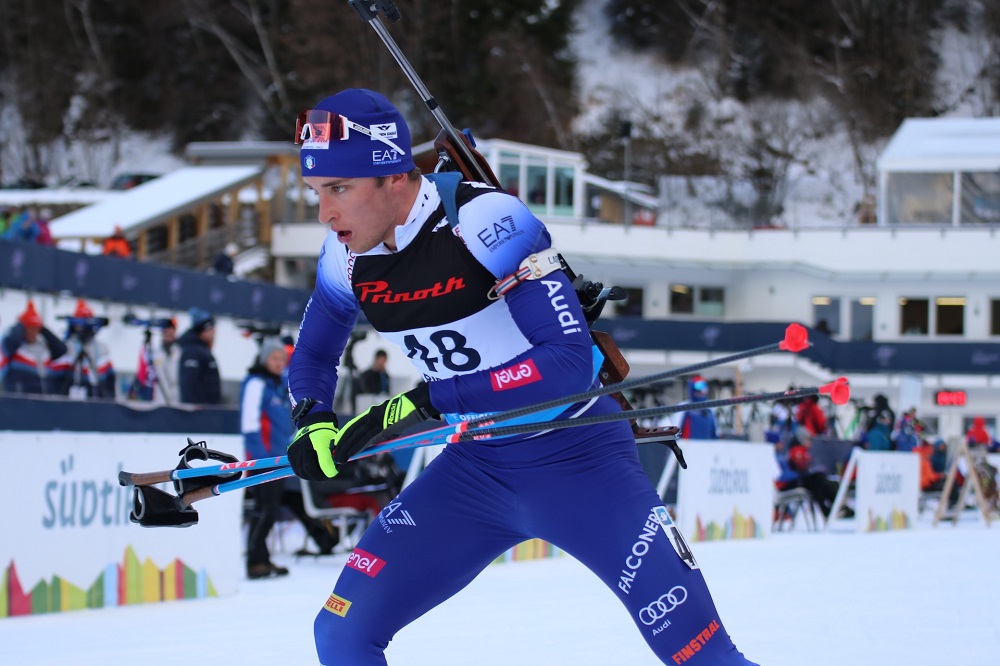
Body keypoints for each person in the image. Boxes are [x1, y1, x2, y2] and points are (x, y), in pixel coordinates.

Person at [284, 89, 757, 665]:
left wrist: (426, 400)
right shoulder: (345, 257)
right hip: (474, 471)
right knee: (340, 634)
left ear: (393, 177)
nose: (324, 214)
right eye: (315, 193)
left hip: (580, 461)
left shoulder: (483, 220)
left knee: (706, 657)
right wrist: (312, 420)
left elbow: (565, 363)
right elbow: (313, 354)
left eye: (339, 189)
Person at [241, 338, 338, 579]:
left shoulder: (277, 386)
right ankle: (256, 561)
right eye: (274, 358)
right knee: (265, 511)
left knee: (275, 508)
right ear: (264, 359)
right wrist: (258, 459)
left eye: (281, 359)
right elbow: (249, 423)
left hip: (278, 460)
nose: (278, 363)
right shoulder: (256, 383)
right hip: (262, 460)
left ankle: (263, 558)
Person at [47, 299, 116, 398]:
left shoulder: (101, 348)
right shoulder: (67, 347)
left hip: (97, 399)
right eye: (79, 325)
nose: (83, 329)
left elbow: (110, 378)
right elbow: (56, 378)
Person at [1, 301, 68, 394]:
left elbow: (62, 349)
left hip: (44, 401)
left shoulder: (44, 349)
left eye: (36, 329)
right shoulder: (13, 348)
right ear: (23, 329)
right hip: (20, 402)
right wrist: (21, 323)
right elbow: (10, 342)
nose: (33, 332)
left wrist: (43, 329)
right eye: (30, 328)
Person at [177, 308, 221, 405]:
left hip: (208, 412)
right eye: (211, 329)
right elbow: (189, 386)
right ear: (203, 330)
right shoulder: (192, 351)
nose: (214, 333)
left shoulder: (202, 350)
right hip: (199, 415)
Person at [677, 375, 719, 440]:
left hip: (706, 447)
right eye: (699, 388)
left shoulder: (709, 410)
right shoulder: (684, 407)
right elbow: (677, 432)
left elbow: (714, 434)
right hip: (689, 447)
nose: (701, 392)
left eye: (704, 388)